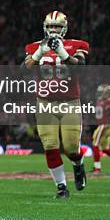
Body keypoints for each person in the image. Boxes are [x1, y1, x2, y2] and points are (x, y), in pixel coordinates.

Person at [23, 11, 89, 199]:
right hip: (44, 102)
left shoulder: (77, 45)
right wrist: (37, 54)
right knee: (50, 145)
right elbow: (22, 70)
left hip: (69, 102)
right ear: (45, 27)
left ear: (64, 28)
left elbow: (81, 67)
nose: (53, 30)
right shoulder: (34, 47)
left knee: (70, 148)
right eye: (50, 26)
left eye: (57, 27)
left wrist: (63, 53)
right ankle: (61, 188)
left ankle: (78, 164)